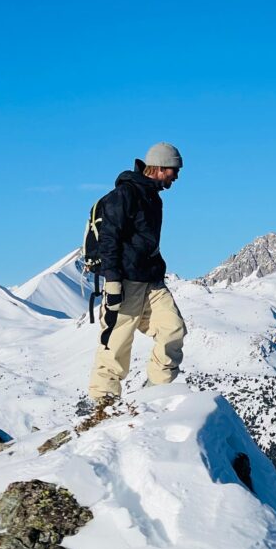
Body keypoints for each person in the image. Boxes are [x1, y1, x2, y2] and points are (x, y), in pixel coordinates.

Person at [87, 142, 187, 403]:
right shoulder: (125, 194)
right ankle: (102, 403)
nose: (176, 176)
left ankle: (156, 395)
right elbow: (109, 238)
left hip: (151, 281)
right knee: (116, 344)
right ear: (160, 167)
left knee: (173, 330)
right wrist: (112, 282)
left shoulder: (153, 197)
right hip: (125, 281)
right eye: (174, 170)